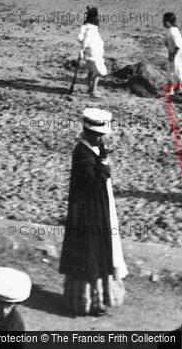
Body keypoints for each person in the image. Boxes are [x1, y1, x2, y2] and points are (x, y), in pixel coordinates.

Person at [59, 108, 127, 317]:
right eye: (98, 135)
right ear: (88, 132)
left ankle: (93, 300)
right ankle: (88, 302)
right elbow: (94, 182)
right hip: (86, 213)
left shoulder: (90, 150)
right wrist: (104, 163)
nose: (101, 138)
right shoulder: (82, 153)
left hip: (95, 209)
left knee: (96, 253)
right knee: (89, 255)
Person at [0, 267, 31, 348]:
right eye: (1, 303)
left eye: (9, 304)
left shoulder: (15, 327)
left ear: (15, 303)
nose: (4, 310)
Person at [77, 7, 107, 98]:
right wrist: (82, 50)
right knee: (98, 73)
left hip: (91, 55)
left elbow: (83, 40)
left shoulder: (89, 30)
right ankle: (93, 91)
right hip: (93, 56)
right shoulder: (91, 31)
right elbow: (85, 42)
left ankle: (90, 88)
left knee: (91, 71)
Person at [164, 12, 182, 95]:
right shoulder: (171, 30)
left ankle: (173, 89)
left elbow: (177, 45)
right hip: (175, 52)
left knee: (174, 69)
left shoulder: (173, 31)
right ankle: (178, 87)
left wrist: (172, 55)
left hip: (177, 54)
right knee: (176, 69)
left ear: (169, 22)